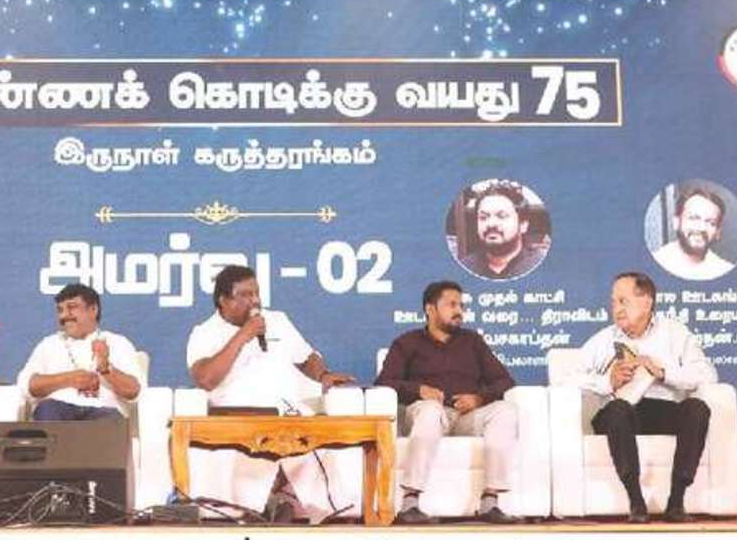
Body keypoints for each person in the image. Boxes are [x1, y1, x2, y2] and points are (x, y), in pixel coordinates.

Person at [185, 265, 356, 523]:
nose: (255, 301)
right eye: (245, 295)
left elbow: (307, 357)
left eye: (256, 293)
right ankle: (261, 507)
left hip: (287, 410)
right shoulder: (204, 332)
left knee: (318, 440)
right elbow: (206, 379)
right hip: (237, 416)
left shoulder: (277, 321)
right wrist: (243, 335)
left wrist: (322, 375)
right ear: (223, 300)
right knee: (267, 444)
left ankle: (326, 514)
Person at [575, 272, 717, 523]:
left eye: (623, 301)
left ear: (647, 302)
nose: (616, 309)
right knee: (618, 410)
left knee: (697, 408)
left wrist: (663, 372)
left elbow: (707, 374)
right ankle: (636, 501)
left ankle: (676, 502)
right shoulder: (604, 339)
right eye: (613, 302)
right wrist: (607, 381)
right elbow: (566, 378)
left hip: (664, 410)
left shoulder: (675, 333)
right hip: (621, 414)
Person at [376, 281, 521, 525]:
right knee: (431, 411)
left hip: (466, 417)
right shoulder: (407, 343)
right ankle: (410, 503)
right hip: (426, 413)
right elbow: (384, 382)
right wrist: (419, 390)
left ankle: (490, 501)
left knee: (505, 411)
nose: (459, 311)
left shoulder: (472, 341)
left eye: (461, 306)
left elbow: (505, 381)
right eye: (452, 305)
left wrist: (478, 398)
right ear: (430, 309)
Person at [17, 283, 143, 421]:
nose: (64, 315)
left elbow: (134, 391)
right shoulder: (48, 344)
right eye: (60, 310)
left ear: (93, 310)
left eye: (72, 307)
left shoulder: (117, 342)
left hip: (103, 411)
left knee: (110, 422)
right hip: (57, 409)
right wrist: (70, 379)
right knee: (47, 410)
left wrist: (106, 369)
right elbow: (28, 387)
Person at [459, 181, 548, 280]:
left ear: (523, 225)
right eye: (483, 217)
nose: (491, 224)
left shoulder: (542, 266)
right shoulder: (464, 267)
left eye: (501, 216)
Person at [652, 187, 736, 281]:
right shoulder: (655, 264)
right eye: (694, 218)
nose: (701, 228)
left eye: (711, 223)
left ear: (718, 232)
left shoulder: (726, 271)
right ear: (676, 223)